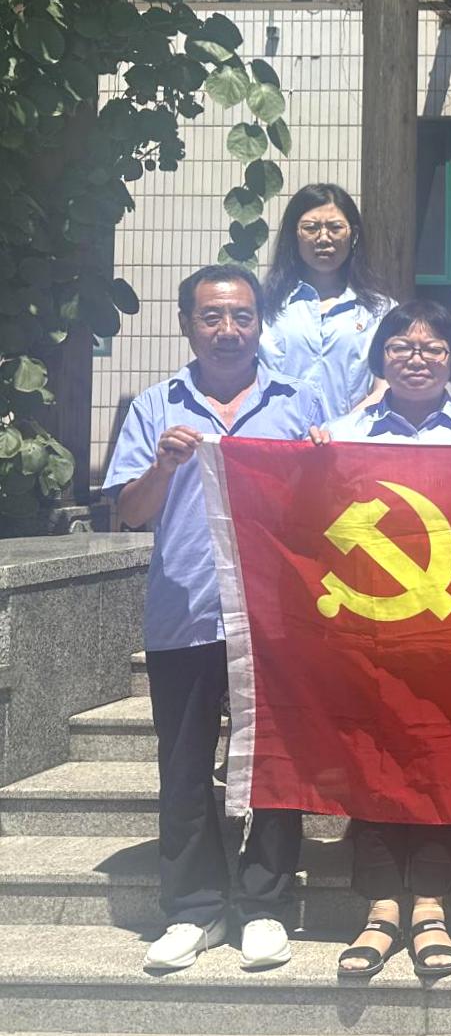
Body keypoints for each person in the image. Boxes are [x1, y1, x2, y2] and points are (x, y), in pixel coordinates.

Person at [104, 265, 326, 973]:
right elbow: (129, 512)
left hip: (277, 617)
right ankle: (194, 909)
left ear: (260, 324)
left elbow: (334, 497)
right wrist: (163, 468)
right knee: (185, 765)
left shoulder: (302, 400)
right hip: (187, 612)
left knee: (274, 766)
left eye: (241, 316)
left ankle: (265, 904)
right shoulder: (154, 406)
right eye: (212, 317)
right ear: (187, 325)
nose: (228, 330)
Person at [311, 300, 451, 982]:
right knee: (369, 758)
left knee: (438, 757)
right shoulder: (342, 434)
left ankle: (429, 901)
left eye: (433, 347)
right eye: (401, 346)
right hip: (365, 627)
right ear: (381, 357)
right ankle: (378, 905)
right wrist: (308, 462)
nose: (417, 358)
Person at [259, 183, 393, 418]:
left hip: (349, 435)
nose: (323, 238)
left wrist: (342, 429)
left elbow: (387, 385)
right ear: (294, 235)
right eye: (311, 228)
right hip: (277, 435)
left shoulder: (380, 310)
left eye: (335, 228)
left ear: (353, 235)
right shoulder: (264, 306)